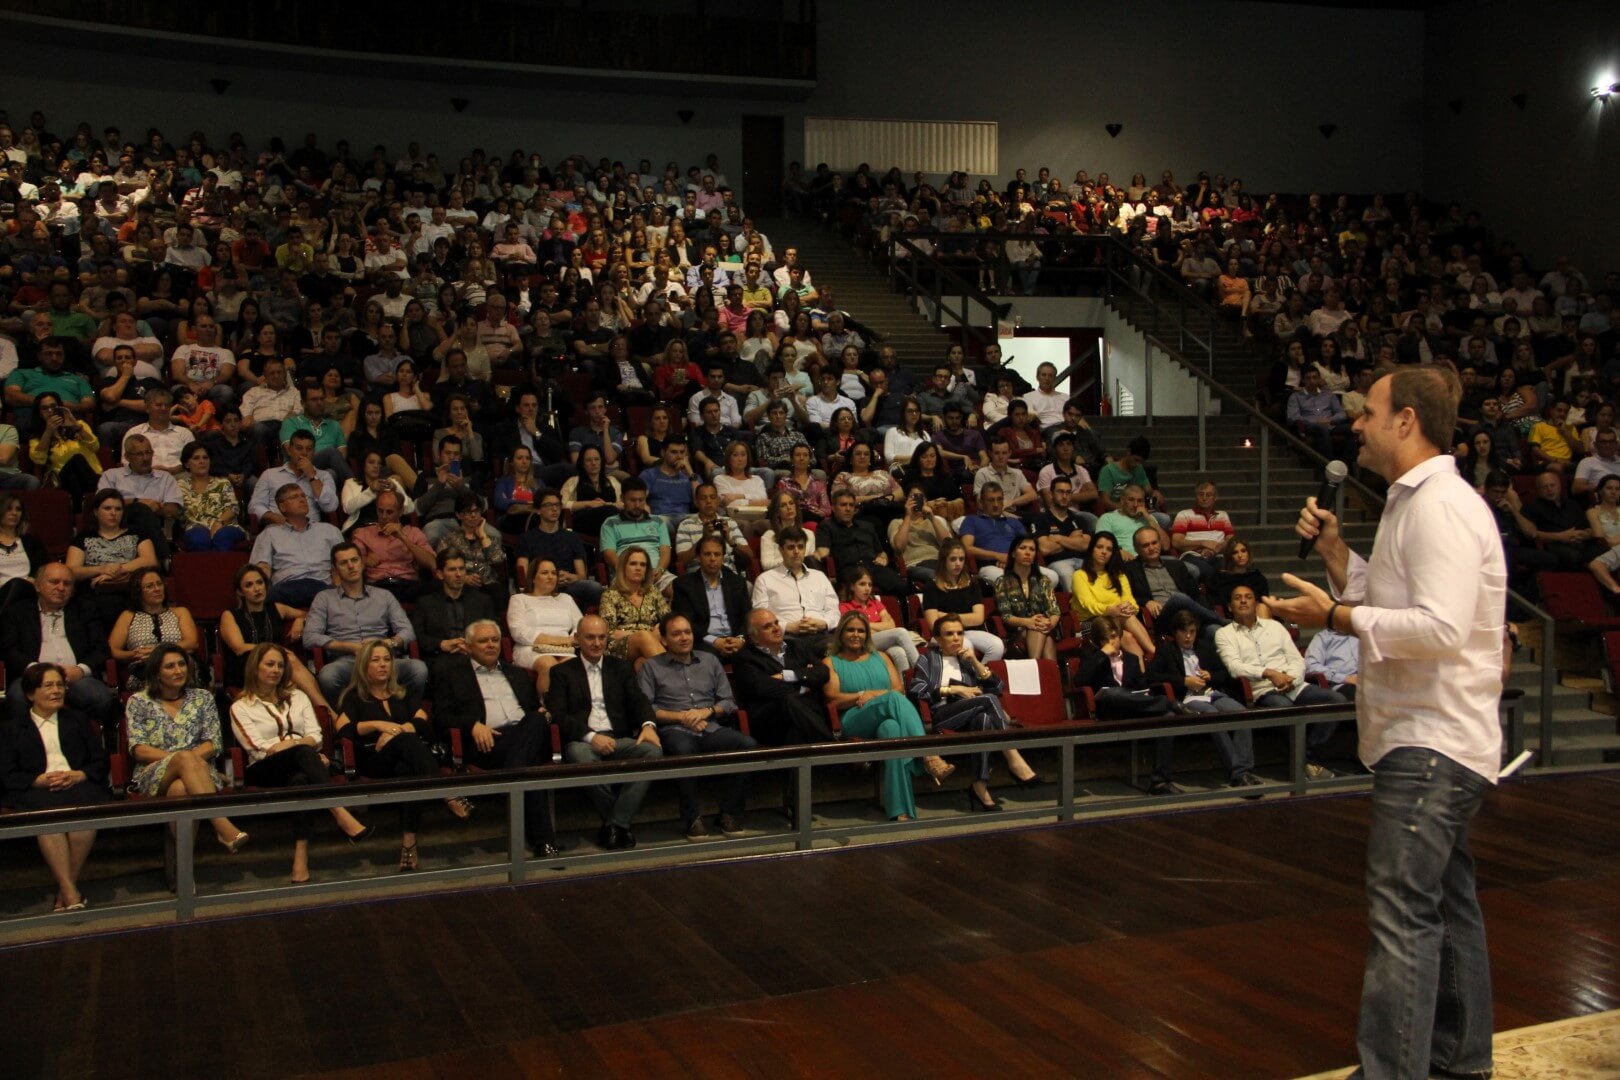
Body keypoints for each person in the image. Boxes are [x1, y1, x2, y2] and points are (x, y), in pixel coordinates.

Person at [1267, 364, 1507, 1080]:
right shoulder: (1416, 503)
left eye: (1368, 412)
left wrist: (1337, 618)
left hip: (1431, 739)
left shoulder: (1440, 507)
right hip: (1434, 736)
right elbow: (1393, 599)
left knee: (1403, 916)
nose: (1356, 424)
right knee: (1445, 908)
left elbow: (1439, 628)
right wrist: (1337, 555)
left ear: (1406, 421)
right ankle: (1459, 1062)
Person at [230, 643, 372, 883]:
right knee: (303, 752)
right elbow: (258, 747)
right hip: (264, 768)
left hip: (302, 765)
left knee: (301, 780)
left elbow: (317, 735)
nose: (276, 670)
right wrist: (299, 746)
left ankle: (300, 858)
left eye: (280, 665)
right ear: (255, 668)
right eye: (269, 664)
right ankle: (339, 812)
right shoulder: (241, 706)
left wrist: (294, 746)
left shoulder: (298, 697)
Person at [332, 638, 472, 872]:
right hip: (374, 759)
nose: (383, 665)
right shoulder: (354, 697)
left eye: (387, 660)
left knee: (407, 771)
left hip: (404, 760)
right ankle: (446, 791)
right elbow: (343, 729)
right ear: (364, 666)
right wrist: (378, 725)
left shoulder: (402, 694)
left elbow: (423, 722)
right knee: (405, 740)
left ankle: (409, 843)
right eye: (376, 660)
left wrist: (397, 730)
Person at [432, 619, 560, 857]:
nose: (491, 645)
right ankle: (544, 842)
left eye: (494, 640)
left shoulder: (517, 673)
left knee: (535, 719)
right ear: (468, 646)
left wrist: (543, 713)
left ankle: (510, 777)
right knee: (529, 765)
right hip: (489, 743)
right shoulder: (453, 676)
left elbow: (534, 709)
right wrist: (472, 725)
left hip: (525, 735)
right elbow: (441, 717)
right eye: (483, 641)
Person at [0, 662, 112, 912]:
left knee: (85, 813)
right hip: (36, 790)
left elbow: (100, 761)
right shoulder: (11, 728)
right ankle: (70, 891)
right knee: (49, 817)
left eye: (60, 685)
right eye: (48, 685)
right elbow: (6, 774)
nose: (56, 691)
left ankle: (65, 890)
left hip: (77, 785)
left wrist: (79, 775)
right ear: (31, 694)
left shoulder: (78, 720)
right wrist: (36, 780)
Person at [547, 615, 663, 851]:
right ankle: (620, 825)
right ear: (577, 639)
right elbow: (559, 715)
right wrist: (592, 737)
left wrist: (648, 725)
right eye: (590, 637)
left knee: (652, 751)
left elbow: (638, 701)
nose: (597, 643)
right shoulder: (561, 672)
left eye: (602, 637)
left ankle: (614, 824)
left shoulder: (620, 668)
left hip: (618, 737)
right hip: (583, 740)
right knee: (581, 755)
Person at [637, 613, 757, 840]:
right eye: (676, 634)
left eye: (687, 632)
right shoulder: (651, 667)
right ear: (664, 640)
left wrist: (706, 711)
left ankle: (728, 813)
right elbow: (646, 708)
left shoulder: (710, 661)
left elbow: (728, 702)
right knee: (683, 749)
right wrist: (682, 717)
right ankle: (692, 818)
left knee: (747, 745)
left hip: (709, 726)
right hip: (674, 729)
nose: (684, 638)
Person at [823, 611, 951, 822]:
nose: (856, 635)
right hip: (853, 719)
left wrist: (873, 695)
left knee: (891, 729)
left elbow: (899, 689)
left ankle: (900, 810)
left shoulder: (881, 657)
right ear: (841, 633)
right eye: (850, 630)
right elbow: (833, 699)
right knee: (892, 699)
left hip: (885, 714)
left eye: (861, 630)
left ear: (867, 634)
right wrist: (862, 695)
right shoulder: (831, 662)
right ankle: (928, 755)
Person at [125, 643, 250, 853]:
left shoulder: (203, 698)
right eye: (170, 666)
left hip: (200, 774)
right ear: (156, 672)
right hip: (153, 773)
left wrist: (188, 765)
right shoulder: (138, 701)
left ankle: (182, 866)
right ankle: (221, 825)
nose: (178, 670)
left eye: (181, 664)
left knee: (181, 789)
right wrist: (181, 761)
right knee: (184, 759)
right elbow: (139, 749)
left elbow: (213, 744)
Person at [908, 614, 1040, 810]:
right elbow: (916, 689)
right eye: (949, 634)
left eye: (959, 633)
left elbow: (998, 687)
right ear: (938, 638)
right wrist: (952, 689)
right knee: (988, 699)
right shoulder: (928, 659)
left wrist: (976, 663)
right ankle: (1013, 757)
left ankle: (979, 786)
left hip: (971, 712)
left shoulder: (967, 660)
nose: (956, 638)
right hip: (944, 714)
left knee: (984, 719)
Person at [1215, 585, 1345, 775]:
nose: (1243, 601)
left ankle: (1307, 759)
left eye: (1248, 597)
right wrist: (1269, 673)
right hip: (1263, 690)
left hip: (1294, 685)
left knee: (1336, 701)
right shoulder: (1224, 634)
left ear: (1255, 603)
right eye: (1238, 598)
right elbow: (1235, 667)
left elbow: (1297, 660)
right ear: (1229, 606)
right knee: (1285, 708)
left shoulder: (1275, 627)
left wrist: (1290, 679)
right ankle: (1308, 766)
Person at [1145, 611, 1263, 796]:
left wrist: (1211, 676)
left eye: (1192, 632)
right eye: (1184, 632)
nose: (1188, 637)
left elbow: (1224, 674)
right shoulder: (1167, 650)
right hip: (1189, 698)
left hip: (1211, 693)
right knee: (1212, 716)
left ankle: (1245, 770)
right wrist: (1184, 681)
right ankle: (1238, 774)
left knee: (1242, 713)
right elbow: (1151, 676)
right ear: (1175, 632)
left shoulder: (1205, 646)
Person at [303, 542, 427, 700]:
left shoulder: (384, 596)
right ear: (335, 569)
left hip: (383, 658)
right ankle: (345, 714)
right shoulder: (324, 598)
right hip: (347, 661)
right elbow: (310, 637)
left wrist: (387, 643)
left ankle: (404, 711)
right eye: (343, 563)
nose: (351, 566)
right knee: (328, 676)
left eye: (354, 560)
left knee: (418, 669)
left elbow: (408, 631)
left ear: (362, 563)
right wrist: (349, 647)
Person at [218, 563, 327, 705]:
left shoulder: (277, 608)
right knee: (290, 663)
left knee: (292, 677)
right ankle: (325, 709)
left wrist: (300, 620)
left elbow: (309, 614)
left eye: (260, 582)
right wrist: (277, 651)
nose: (257, 588)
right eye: (249, 585)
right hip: (245, 668)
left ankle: (322, 709)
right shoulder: (230, 615)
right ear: (240, 592)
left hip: (277, 666)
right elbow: (239, 648)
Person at [249, 484, 345, 606]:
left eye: (303, 496)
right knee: (269, 599)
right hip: (286, 588)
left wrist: (337, 586)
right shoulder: (269, 534)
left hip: (321, 586)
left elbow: (343, 561)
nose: (302, 500)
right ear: (282, 507)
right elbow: (260, 568)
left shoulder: (330, 530)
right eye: (294, 497)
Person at [1073, 615, 1178, 720]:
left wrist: (1143, 693)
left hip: (1133, 709)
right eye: (1105, 639)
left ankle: (1167, 706)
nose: (1110, 643)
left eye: (1113, 637)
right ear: (1099, 642)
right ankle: (1167, 703)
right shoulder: (1093, 658)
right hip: (1109, 711)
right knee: (1111, 693)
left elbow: (1142, 688)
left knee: (1169, 715)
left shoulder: (1132, 659)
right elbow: (1079, 681)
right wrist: (1102, 654)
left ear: (1119, 636)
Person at [750, 526, 839, 649]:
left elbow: (834, 611)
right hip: (785, 639)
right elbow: (760, 618)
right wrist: (788, 627)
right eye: (791, 547)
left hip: (822, 636)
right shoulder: (765, 579)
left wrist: (823, 623)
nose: (796, 551)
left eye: (800, 547)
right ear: (781, 550)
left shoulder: (819, 576)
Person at [1070, 532, 1155, 659]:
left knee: (1127, 637)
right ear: (1092, 549)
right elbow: (1088, 604)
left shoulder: (1119, 576)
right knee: (1125, 617)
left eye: (1109, 549)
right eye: (1099, 547)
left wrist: (1130, 608)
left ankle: (1142, 670)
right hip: (1090, 622)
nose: (1104, 552)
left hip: (1118, 618)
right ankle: (1154, 651)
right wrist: (1110, 610)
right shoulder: (1080, 575)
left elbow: (1130, 601)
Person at [1122, 526, 1225, 630]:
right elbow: (1125, 597)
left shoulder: (1177, 565)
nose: (1151, 548)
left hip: (1189, 617)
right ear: (1136, 549)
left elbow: (1196, 593)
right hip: (1163, 617)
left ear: (1160, 543)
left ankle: (1217, 622)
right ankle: (1220, 620)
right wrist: (1145, 602)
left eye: (1154, 543)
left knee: (1216, 630)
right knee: (1178, 598)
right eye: (1145, 545)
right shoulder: (1130, 570)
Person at [505, 557, 582, 694]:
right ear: (533, 578)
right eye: (545, 573)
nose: (550, 577)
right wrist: (560, 640)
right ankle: (547, 704)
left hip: (564, 648)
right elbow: (518, 631)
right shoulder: (519, 599)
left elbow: (581, 626)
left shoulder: (566, 599)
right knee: (549, 665)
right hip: (530, 648)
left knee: (573, 666)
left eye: (554, 573)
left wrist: (572, 639)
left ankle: (570, 705)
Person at [670, 534, 750, 659]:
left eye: (717, 554)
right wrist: (714, 641)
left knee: (754, 654)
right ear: (698, 557)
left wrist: (740, 639)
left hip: (734, 640)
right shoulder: (684, 584)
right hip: (704, 642)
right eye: (707, 554)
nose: (712, 559)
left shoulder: (737, 582)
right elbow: (686, 621)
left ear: (723, 557)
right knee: (707, 657)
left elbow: (747, 616)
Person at [350, 488, 435, 601]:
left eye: (389, 512)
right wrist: (364, 560)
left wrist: (403, 538)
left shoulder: (414, 533)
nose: (384, 516)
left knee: (437, 586)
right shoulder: (363, 534)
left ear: (401, 511)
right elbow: (350, 563)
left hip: (407, 585)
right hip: (377, 587)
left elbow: (432, 563)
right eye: (380, 511)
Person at [838, 565, 918, 673]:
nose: (867, 588)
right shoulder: (845, 606)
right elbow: (857, 629)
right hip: (863, 641)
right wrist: (880, 627)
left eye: (870, 585)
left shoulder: (875, 603)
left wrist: (867, 624)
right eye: (862, 584)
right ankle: (923, 672)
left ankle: (907, 683)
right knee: (900, 632)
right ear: (852, 587)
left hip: (881, 640)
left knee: (899, 652)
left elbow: (891, 625)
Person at [248, 429, 338, 525]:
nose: (304, 453)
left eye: (309, 449)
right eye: (299, 448)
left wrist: (312, 475)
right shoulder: (269, 475)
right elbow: (254, 506)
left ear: (314, 452)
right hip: (279, 528)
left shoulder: (324, 476)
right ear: (289, 450)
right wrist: (274, 517)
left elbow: (330, 507)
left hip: (312, 529)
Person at [995, 536, 1062, 661]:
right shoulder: (1002, 582)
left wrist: (1050, 623)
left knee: (1040, 631)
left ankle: (1035, 668)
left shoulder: (1043, 580)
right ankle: (1050, 671)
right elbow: (1006, 616)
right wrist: (1028, 622)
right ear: (1013, 553)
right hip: (1017, 630)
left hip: (1044, 627)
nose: (1027, 552)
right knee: (1039, 632)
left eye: (1032, 549)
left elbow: (1054, 611)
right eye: (1023, 548)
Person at [600, 546, 669, 669]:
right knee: (643, 637)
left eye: (643, 565)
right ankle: (677, 675)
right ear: (623, 567)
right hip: (619, 647)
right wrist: (645, 634)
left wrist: (658, 630)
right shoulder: (610, 594)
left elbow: (668, 620)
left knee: (642, 664)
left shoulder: (653, 591)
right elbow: (608, 632)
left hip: (651, 643)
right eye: (633, 564)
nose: (638, 568)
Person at [0, 492, 49, 607]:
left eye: (18, 509)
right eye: (9, 508)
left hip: (27, 590)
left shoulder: (32, 542)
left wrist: (34, 578)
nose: (14, 513)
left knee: (17, 583)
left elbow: (42, 569)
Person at [1304, 627, 1362, 700]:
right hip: (1342, 684)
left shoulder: (1362, 634)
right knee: (1360, 695)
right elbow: (1311, 666)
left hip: (1368, 681)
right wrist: (1344, 678)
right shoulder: (1322, 637)